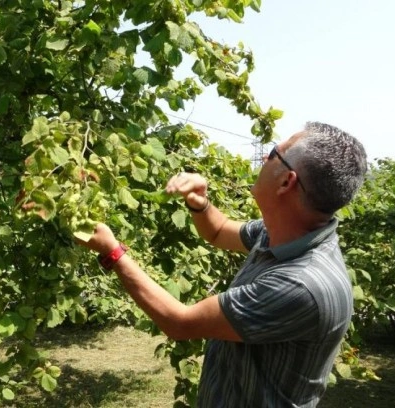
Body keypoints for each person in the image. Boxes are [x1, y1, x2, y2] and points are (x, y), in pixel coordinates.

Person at [76, 122, 368, 407]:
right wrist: (199, 203)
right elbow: (218, 231)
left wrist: (113, 252)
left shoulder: (301, 285)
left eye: (272, 153)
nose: (263, 159)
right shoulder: (282, 231)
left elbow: (180, 323)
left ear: (286, 182)